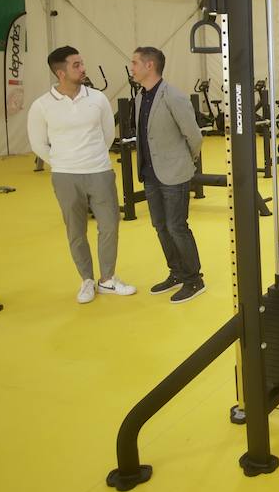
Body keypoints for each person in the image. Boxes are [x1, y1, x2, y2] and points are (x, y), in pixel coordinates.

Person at [27, 46, 134, 304]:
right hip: (65, 176)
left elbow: (108, 133)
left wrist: (93, 157)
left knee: (109, 225)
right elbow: (38, 144)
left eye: (82, 63)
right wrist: (62, 162)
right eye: (77, 65)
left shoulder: (97, 99)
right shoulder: (41, 106)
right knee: (76, 230)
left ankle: (107, 279)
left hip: (99, 171)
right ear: (60, 72)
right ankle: (87, 279)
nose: (83, 68)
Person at [131, 47, 207, 304]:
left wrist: (187, 161)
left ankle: (194, 279)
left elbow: (194, 136)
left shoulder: (173, 96)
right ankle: (176, 272)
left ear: (149, 65)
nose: (132, 67)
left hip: (174, 174)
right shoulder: (141, 97)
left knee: (176, 227)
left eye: (135, 63)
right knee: (161, 226)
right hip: (150, 174)